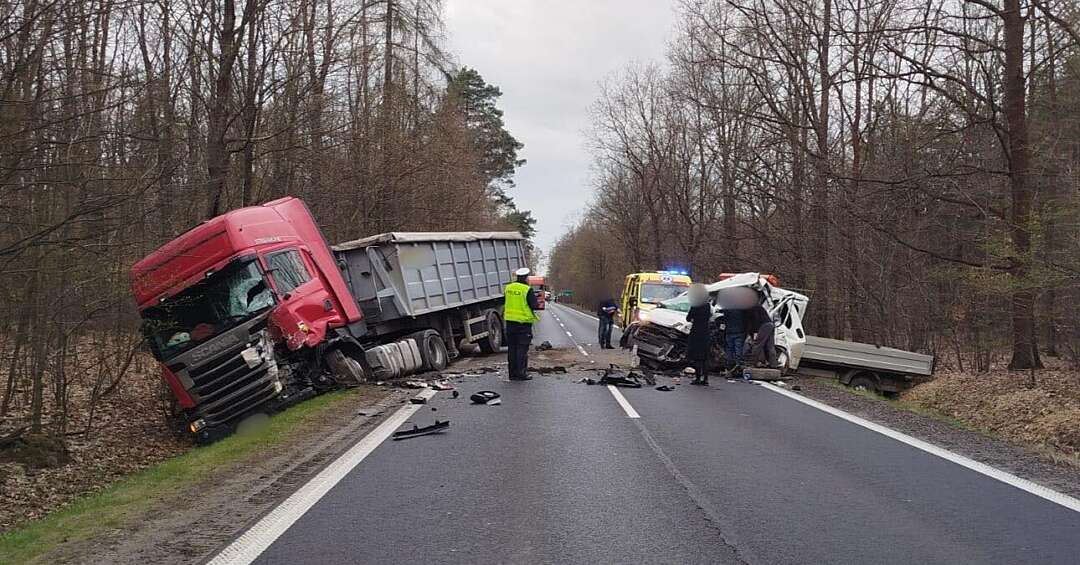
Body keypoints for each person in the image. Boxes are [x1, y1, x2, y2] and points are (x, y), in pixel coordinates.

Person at [503, 267, 539, 380]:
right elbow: (534, 305)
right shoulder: (527, 289)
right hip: (523, 324)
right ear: (526, 278)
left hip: (510, 323)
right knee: (522, 349)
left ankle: (512, 374)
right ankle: (521, 373)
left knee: (512, 349)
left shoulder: (508, 288)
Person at [685, 284, 712, 386]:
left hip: (696, 332)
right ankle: (705, 379)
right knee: (705, 357)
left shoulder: (695, 305)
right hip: (705, 332)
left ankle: (697, 378)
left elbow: (688, 318)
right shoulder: (708, 306)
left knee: (697, 357)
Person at [745, 302, 780, 369]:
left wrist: (751, 333)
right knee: (770, 346)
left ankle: (752, 363)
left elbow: (754, 321)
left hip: (764, 325)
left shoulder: (750, 307)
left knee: (757, 345)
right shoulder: (755, 305)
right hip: (770, 324)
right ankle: (773, 364)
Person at [720, 304, 747, 377]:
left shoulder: (727, 308)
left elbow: (724, 318)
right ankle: (738, 365)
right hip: (740, 331)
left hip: (730, 331)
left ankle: (729, 366)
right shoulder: (742, 308)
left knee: (729, 349)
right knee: (738, 349)